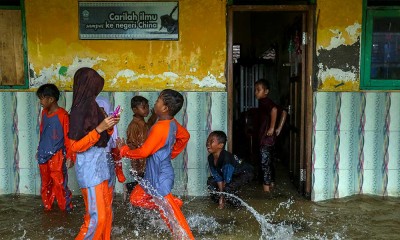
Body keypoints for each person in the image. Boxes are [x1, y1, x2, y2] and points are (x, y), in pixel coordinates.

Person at [117, 89, 194, 240]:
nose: (154, 103)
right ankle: (170, 203)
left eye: (158, 100)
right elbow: (185, 136)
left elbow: (144, 152)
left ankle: (187, 237)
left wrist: (124, 150)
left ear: (165, 108)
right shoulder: (171, 122)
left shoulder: (160, 128)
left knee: (175, 221)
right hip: (152, 175)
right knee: (136, 199)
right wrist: (170, 154)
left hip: (160, 176)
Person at [68, 67, 120, 240]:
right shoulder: (77, 112)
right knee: (96, 218)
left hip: (101, 166)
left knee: (106, 212)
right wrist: (100, 128)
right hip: (90, 171)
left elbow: (103, 136)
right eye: (95, 88)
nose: (97, 92)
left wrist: (110, 126)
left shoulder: (94, 107)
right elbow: (75, 146)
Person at [36, 83, 73, 212]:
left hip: (57, 155)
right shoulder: (44, 113)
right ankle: (48, 208)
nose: (40, 101)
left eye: (42, 98)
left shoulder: (63, 115)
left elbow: (68, 137)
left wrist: (70, 156)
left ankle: (65, 210)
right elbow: (43, 132)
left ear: (51, 99)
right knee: (45, 184)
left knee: (60, 184)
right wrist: (39, 149)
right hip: (43, 154)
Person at [95, 96, 126, 238]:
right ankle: (101, 229)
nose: (101, 113)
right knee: (97, 197)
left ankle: (105, 230)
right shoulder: (96, 121)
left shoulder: (110, 122)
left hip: (105, 157)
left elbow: (115, 143)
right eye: (99, 110)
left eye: (103, 110)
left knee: (106, 197)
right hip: (96, 158)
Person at [206, 130, 254, 209]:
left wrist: (222, 197)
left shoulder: (226, 158)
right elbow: (218, 178)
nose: (208, 143)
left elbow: (226, 181)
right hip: (232, 174)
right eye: (208, 140)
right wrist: (221, 198)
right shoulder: (210, 158)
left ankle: (239, 207)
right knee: (211, 182)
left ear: (220, 145)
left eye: (212, 141)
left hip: (245, 173)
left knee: (228, 188)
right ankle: (219, 203)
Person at [254, 79, 287, 193]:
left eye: (258, 90)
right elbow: (283, 112)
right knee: (270, 162)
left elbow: (274, 110)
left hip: (266, 140)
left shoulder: (265, 102)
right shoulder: (266, 102)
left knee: (264, 164)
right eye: (255, 90)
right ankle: (272, 185)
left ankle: (266, 192)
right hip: (270, 140)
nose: (256, 92)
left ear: (266, 91)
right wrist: (278, 129)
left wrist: (273, 128)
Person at [125, 95, 157, 199]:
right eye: (143, 107)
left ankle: (134, 194)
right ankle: (129, 189)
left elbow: (149, 126)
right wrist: (136, 165)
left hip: (144, 160)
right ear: (134, 110)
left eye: (147, 107)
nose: (146, 109)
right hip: (139, 161)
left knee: (145, 183)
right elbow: (132, 147)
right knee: (143, 184)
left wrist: (154, 115)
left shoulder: (142, 123)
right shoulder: (133, 126)